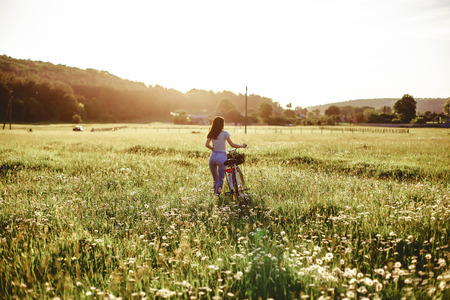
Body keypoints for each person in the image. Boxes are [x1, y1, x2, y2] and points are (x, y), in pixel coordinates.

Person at [205, 116, 247, 196]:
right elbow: (232, 145)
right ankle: (217, 196)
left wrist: (213, 148)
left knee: (215, 179)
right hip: (221, 157)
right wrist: (242, 146)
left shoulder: (211, 133)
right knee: (221, 179)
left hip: (212, 157)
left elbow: (207, 145)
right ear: (222, 124)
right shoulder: (225, 133)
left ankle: (214, 195)